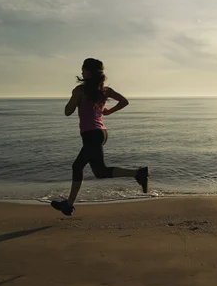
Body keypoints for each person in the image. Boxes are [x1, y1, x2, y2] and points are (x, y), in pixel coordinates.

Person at [51, 58, 149, 216]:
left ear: (88, 72)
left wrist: (73, 99)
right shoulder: (105, 90)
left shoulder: (80, 90)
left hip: (91, 135)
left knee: (99, 171)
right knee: (81, 167)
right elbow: (124, 101)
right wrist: (109, 111)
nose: (81, 72)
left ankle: (138, 173)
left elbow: (67, 111)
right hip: (101, 133)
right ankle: (68, 205)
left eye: (83, 69)